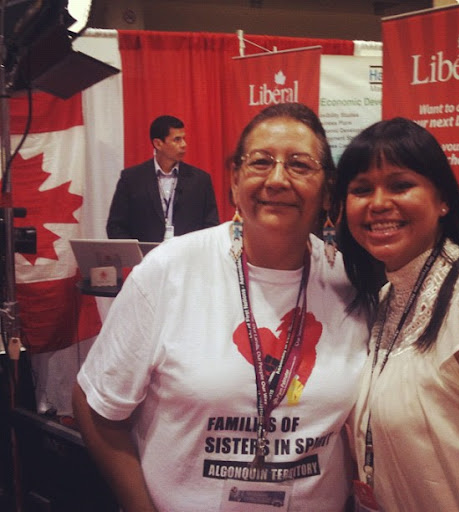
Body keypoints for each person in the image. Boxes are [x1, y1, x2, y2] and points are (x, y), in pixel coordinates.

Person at [72, 103, 369, 512]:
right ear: (234, 179)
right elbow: (96, 406)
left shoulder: (352, 284)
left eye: (300, 165)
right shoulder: (168, 271)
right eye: (260, 162)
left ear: (328, 189)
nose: (277, 179)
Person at [335, 117, 459, 511]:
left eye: (400, 185)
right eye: (361, 189)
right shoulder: (388, 297)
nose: (378, 203)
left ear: (442, 199)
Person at [106, 115, 219, 242]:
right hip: (146, 253)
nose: (184, 144)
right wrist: (136, 252)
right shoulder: (131, 179)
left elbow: (211, 226)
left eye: (184, 139)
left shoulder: (200, 180)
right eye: (177, 140)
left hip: (187, 253)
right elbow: (116, 227)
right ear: (158, 144)